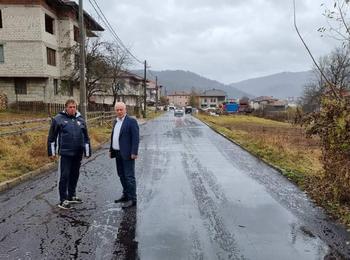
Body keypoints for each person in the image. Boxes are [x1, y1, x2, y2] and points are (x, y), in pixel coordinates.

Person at [47, 99, 91, 210]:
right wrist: (52, 152)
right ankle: (63, 200)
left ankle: (71, 195)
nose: (72, 109)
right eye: (70, 107)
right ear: (66, 107)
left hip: (78, 153)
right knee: (64, 176)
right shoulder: (58, 119)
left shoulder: (80, 120)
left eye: (74, 107)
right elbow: (51, 138)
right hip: (66, 153)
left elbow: (86, 137)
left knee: (74, 175)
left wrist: (87, 150)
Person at [110, 102, 139, 208]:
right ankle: (126, 194)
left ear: (125, 110)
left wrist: (134, 152)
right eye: (117, 110)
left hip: (127, 154)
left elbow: (135, 138)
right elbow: (114, 136)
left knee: (129, 176)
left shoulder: (131, 121)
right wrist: (111, 150)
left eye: (121, 109)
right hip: (117, 152)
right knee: (121, 175)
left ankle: (132, 199)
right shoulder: (115, 122)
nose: (119, 111)